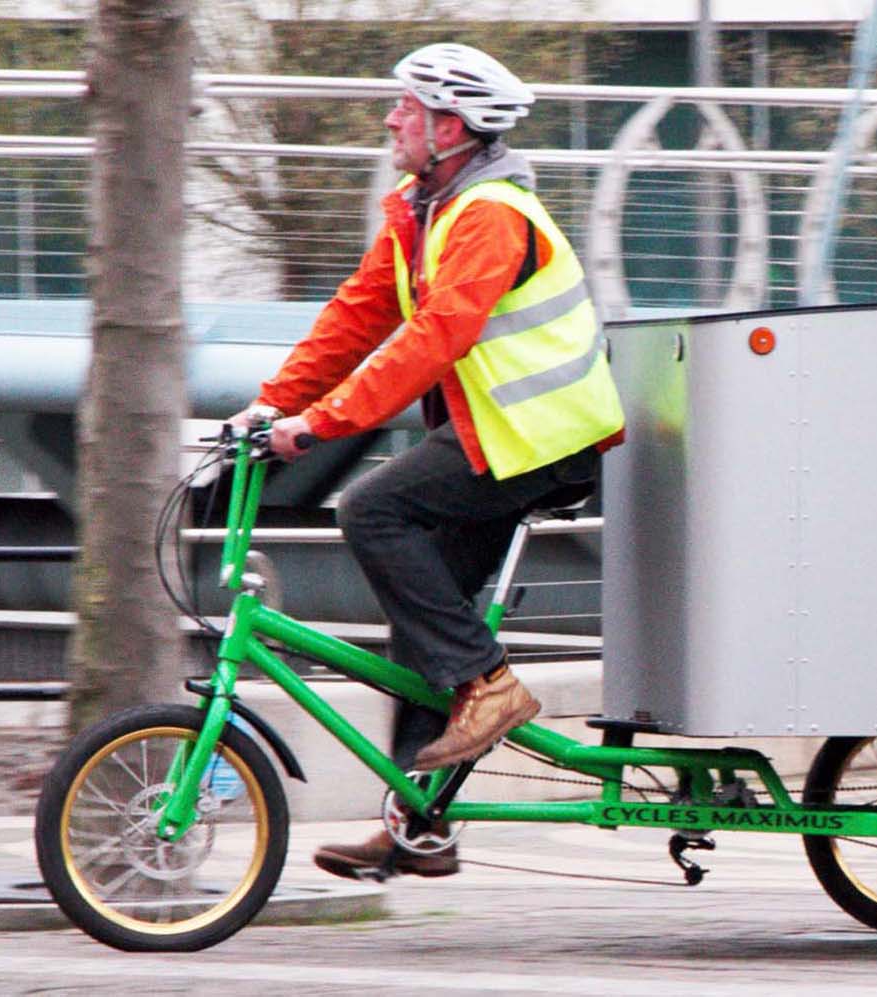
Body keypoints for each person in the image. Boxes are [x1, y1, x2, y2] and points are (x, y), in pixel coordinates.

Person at [225, 43, 624, 880]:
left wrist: (323, 424)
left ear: (449, 126)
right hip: (495, 436)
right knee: (421, 618)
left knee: (372, 510)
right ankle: (422, 820)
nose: (389, 119)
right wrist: (272, 401)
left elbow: (435, 336)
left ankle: (488, 683)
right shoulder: (421, 207)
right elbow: (358, 314)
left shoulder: (490, 215)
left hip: (541, 438)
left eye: (404, 108)